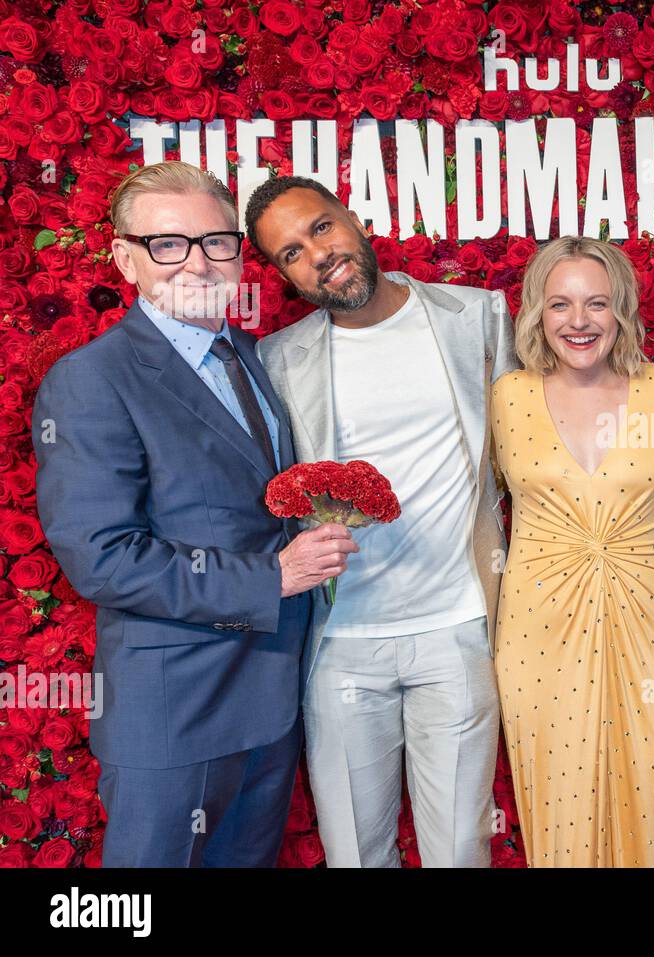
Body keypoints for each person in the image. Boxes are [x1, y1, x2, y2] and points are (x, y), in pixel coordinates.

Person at [31, 161, 352, 867]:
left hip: (269, 704)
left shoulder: (250, 355)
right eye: (169, 245)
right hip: (175, 712)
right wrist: (273, 576)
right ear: (124, 256)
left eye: (217, 242)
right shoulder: (91, 380)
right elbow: (103, 556)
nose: (199, 264)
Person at [248, 176, 518, 867]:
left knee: (460, 852)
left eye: (319, 228)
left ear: (352, 217)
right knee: (356, 857)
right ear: (283, 275)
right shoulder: (281, 359)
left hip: (456, 628)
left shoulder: (477, 316)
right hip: (343, 639)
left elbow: (531, 447)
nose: (317, 254)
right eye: (289, 254)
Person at [491, 237, 654, 866]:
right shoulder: (508, 397)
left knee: (653, 784)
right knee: (558, 797)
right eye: (560, 305)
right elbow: (480, 511)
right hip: (537, 628)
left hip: (647, 616)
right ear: (536, 312)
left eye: (597, 304)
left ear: (622, 310)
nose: (578, 322)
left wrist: (637, 554)